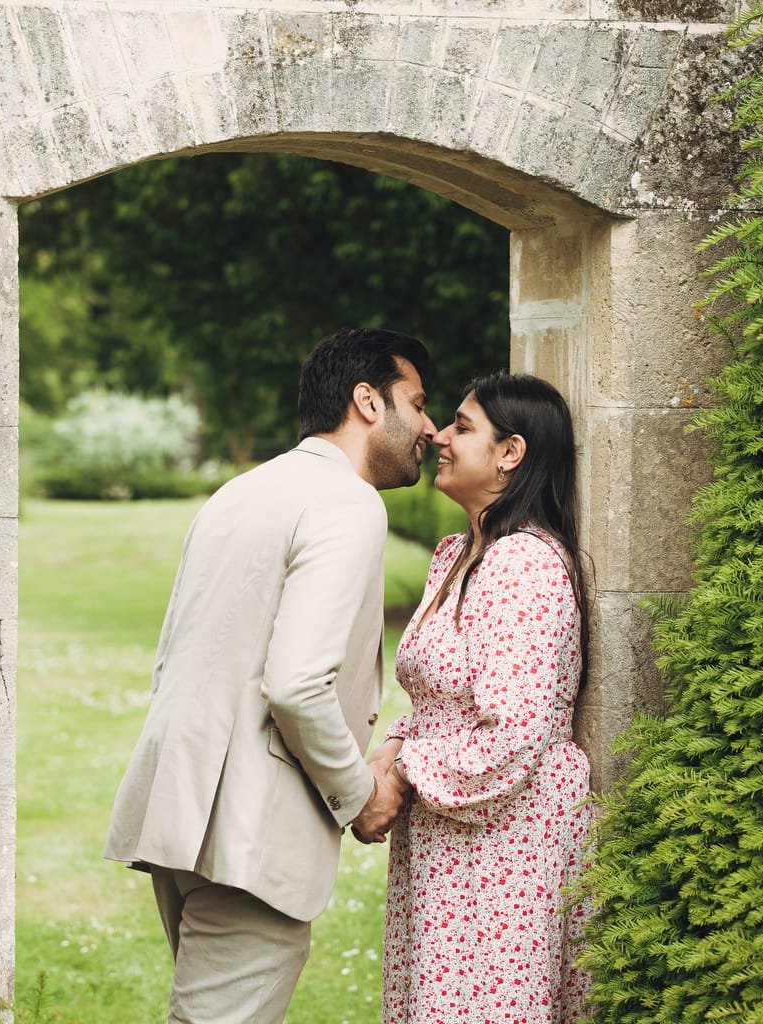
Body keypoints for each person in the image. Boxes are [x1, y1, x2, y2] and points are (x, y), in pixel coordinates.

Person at [104, 327, 436, 1024]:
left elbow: (176, 652)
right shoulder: (348, 504)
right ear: (368, 401)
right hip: (250, 828)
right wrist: (358, 793)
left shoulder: (241, 491)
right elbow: (296, 683)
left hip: (180, 809)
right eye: (420, 402)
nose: (431, 429)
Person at [367, 371, 593, 1024]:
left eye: (462, 427)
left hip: (504, 843)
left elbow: (514, 735)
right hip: (450, 837)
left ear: (511, 453)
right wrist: (391, 751)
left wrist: (404, 773)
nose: (437, 434)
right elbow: (442, 705)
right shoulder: (458, 556)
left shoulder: (525, 567)